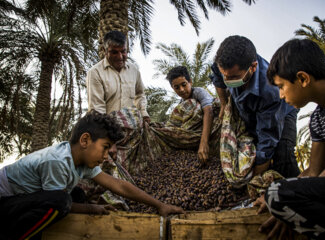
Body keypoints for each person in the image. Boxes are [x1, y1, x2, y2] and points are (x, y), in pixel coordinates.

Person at [0, 111, 183, 240]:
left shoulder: (81, 161)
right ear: (85, 140)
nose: (106, 156)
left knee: (77, 194)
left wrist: (160, 205)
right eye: (105, 147)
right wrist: (92, 209)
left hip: (24, 201)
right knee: (61, 201)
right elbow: (57, 200)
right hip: (5, 203)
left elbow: (118, 185)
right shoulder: (57, 161)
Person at [254, 38, 325, 240]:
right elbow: (314, 171)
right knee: (276, 192)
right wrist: (287, 207)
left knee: (276, 192)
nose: (281, 95)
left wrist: (283, 197)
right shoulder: (317, 118)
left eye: (282, 86)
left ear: (302, 79)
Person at [210, 35, 300, 178]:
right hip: (247, 109)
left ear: (253, 67)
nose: (227, 81)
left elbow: (267, 137)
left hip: (282, 111)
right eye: (224, 75)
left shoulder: (270, 91)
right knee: (249, 143)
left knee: (283, 156)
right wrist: (222, 104)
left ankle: (294, 193)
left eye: (233, 77)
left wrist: (254, 179)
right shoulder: (222, 64)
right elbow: (217, 78)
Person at [86, 30, 150, 123]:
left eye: (123, 51)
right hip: (108, 129)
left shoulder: (134, 70)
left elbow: (140, 94)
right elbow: (97, 109)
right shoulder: (95, 73)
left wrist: (143, 113)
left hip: (133, 127)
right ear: (105, 50)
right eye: (114, 52)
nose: (120, 57)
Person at [166, 66, 214, 163]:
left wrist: (203, 143)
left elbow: (209, 111)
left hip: (210, 124)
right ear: (173, 88)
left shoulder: (199, 92)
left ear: (190, 82)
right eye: (177, 87)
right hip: (194, 134)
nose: (182, 90)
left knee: (191, 103)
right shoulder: (181, 104)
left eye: (184, 84)